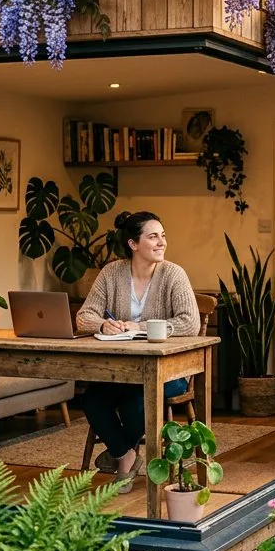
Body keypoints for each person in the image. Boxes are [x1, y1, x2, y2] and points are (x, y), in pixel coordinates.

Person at [75, 211, 199, 492]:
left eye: (163, 236)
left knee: (136, 401)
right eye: (153, 236)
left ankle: (120, 462)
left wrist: (138, 325)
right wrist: (104, 324)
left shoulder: (173, 274)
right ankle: (126, 453)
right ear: (133, 244)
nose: (161, 242)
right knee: (92, 399)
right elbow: (84, 317)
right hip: (122, 370)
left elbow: (189, 322)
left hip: (170, 370)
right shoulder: (111, 272)